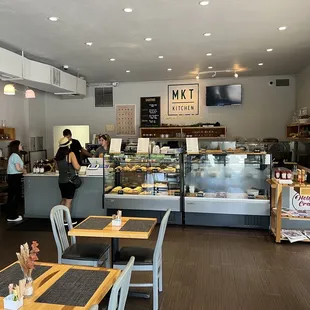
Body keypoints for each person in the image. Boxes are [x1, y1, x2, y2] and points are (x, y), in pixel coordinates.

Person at [55, 137, 80, 225]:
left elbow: (57, 168)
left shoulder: (58, 156)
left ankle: (60, 218)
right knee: (69, 201)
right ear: (68, 145)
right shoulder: (70, 154)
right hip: (70, 180)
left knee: (64, 199)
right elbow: (77, 167)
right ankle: (67, 220)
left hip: (61, 180)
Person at [6, 140, 26, 222]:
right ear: (16, 146)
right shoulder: (15, 156)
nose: (21, 146)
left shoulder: (13, 155)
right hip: (15, 178)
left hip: (11, 178)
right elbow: (18, 169)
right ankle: (12, 216)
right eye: (20, 145)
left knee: (11, 196)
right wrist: (23, 170)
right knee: (15, 197)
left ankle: (11, 215)